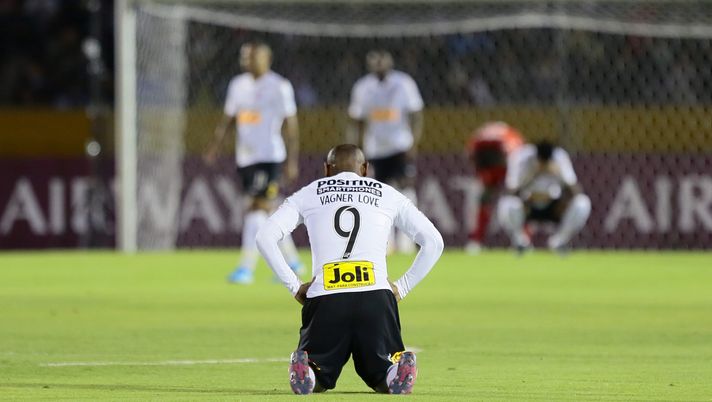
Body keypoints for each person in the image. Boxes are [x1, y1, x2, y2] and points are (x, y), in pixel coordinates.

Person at [256, 144, 444, 394]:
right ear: (365, 169)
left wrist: (294, 286)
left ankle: (308, 371)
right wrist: (402, 287)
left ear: (326, 169)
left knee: (318, 372)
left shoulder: (308, 193)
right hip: (375, 297)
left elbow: (265, 236)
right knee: (381, 374)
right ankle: (393, 372)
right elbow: (434, 242)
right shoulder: (388, 194)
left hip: (326, 297)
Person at [204, 41, 302, 283]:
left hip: (269, 157)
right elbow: (229, 118)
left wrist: (292, 160)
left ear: (266, 59)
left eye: (254, 57)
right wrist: (215, 146)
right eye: (247, 57)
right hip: (246, 157)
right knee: (266, 210)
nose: (248, 61)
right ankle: (293, 262)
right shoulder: (237, 85)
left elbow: (291, 124)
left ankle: (246, 268)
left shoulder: (279, 86)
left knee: (254, 209)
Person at [348, 50, 424, 253]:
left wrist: (414, 143)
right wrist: (358, 150)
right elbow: (357, 120)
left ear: (390, 62)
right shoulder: (363, 87)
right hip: (375, 149)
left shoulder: (404, 83)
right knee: (378, 194)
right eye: (375, 61)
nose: (379, 65)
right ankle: (386, 241)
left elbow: (416, 114)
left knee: (406, 189)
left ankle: (409, 238)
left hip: (400, 145)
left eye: (383, 60)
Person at [497, 140, 591, 253]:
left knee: (582, 203)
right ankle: (520, 243)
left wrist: (559, 174)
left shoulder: (560, 158)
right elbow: (510, 192)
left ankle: (560, 242)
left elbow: (576, 191)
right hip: (528, 204)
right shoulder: (522, 157)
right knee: (507, 203)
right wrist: (532, 174)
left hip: (554, 205)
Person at [464, 122, 524, 254]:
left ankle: (522, 239)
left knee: (517, 200)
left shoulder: (512, 145)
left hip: (509, 164)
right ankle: (477, 240)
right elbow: (473, 156)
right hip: (494, 165)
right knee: (485, 199)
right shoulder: (481, 143)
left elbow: (518, 159)